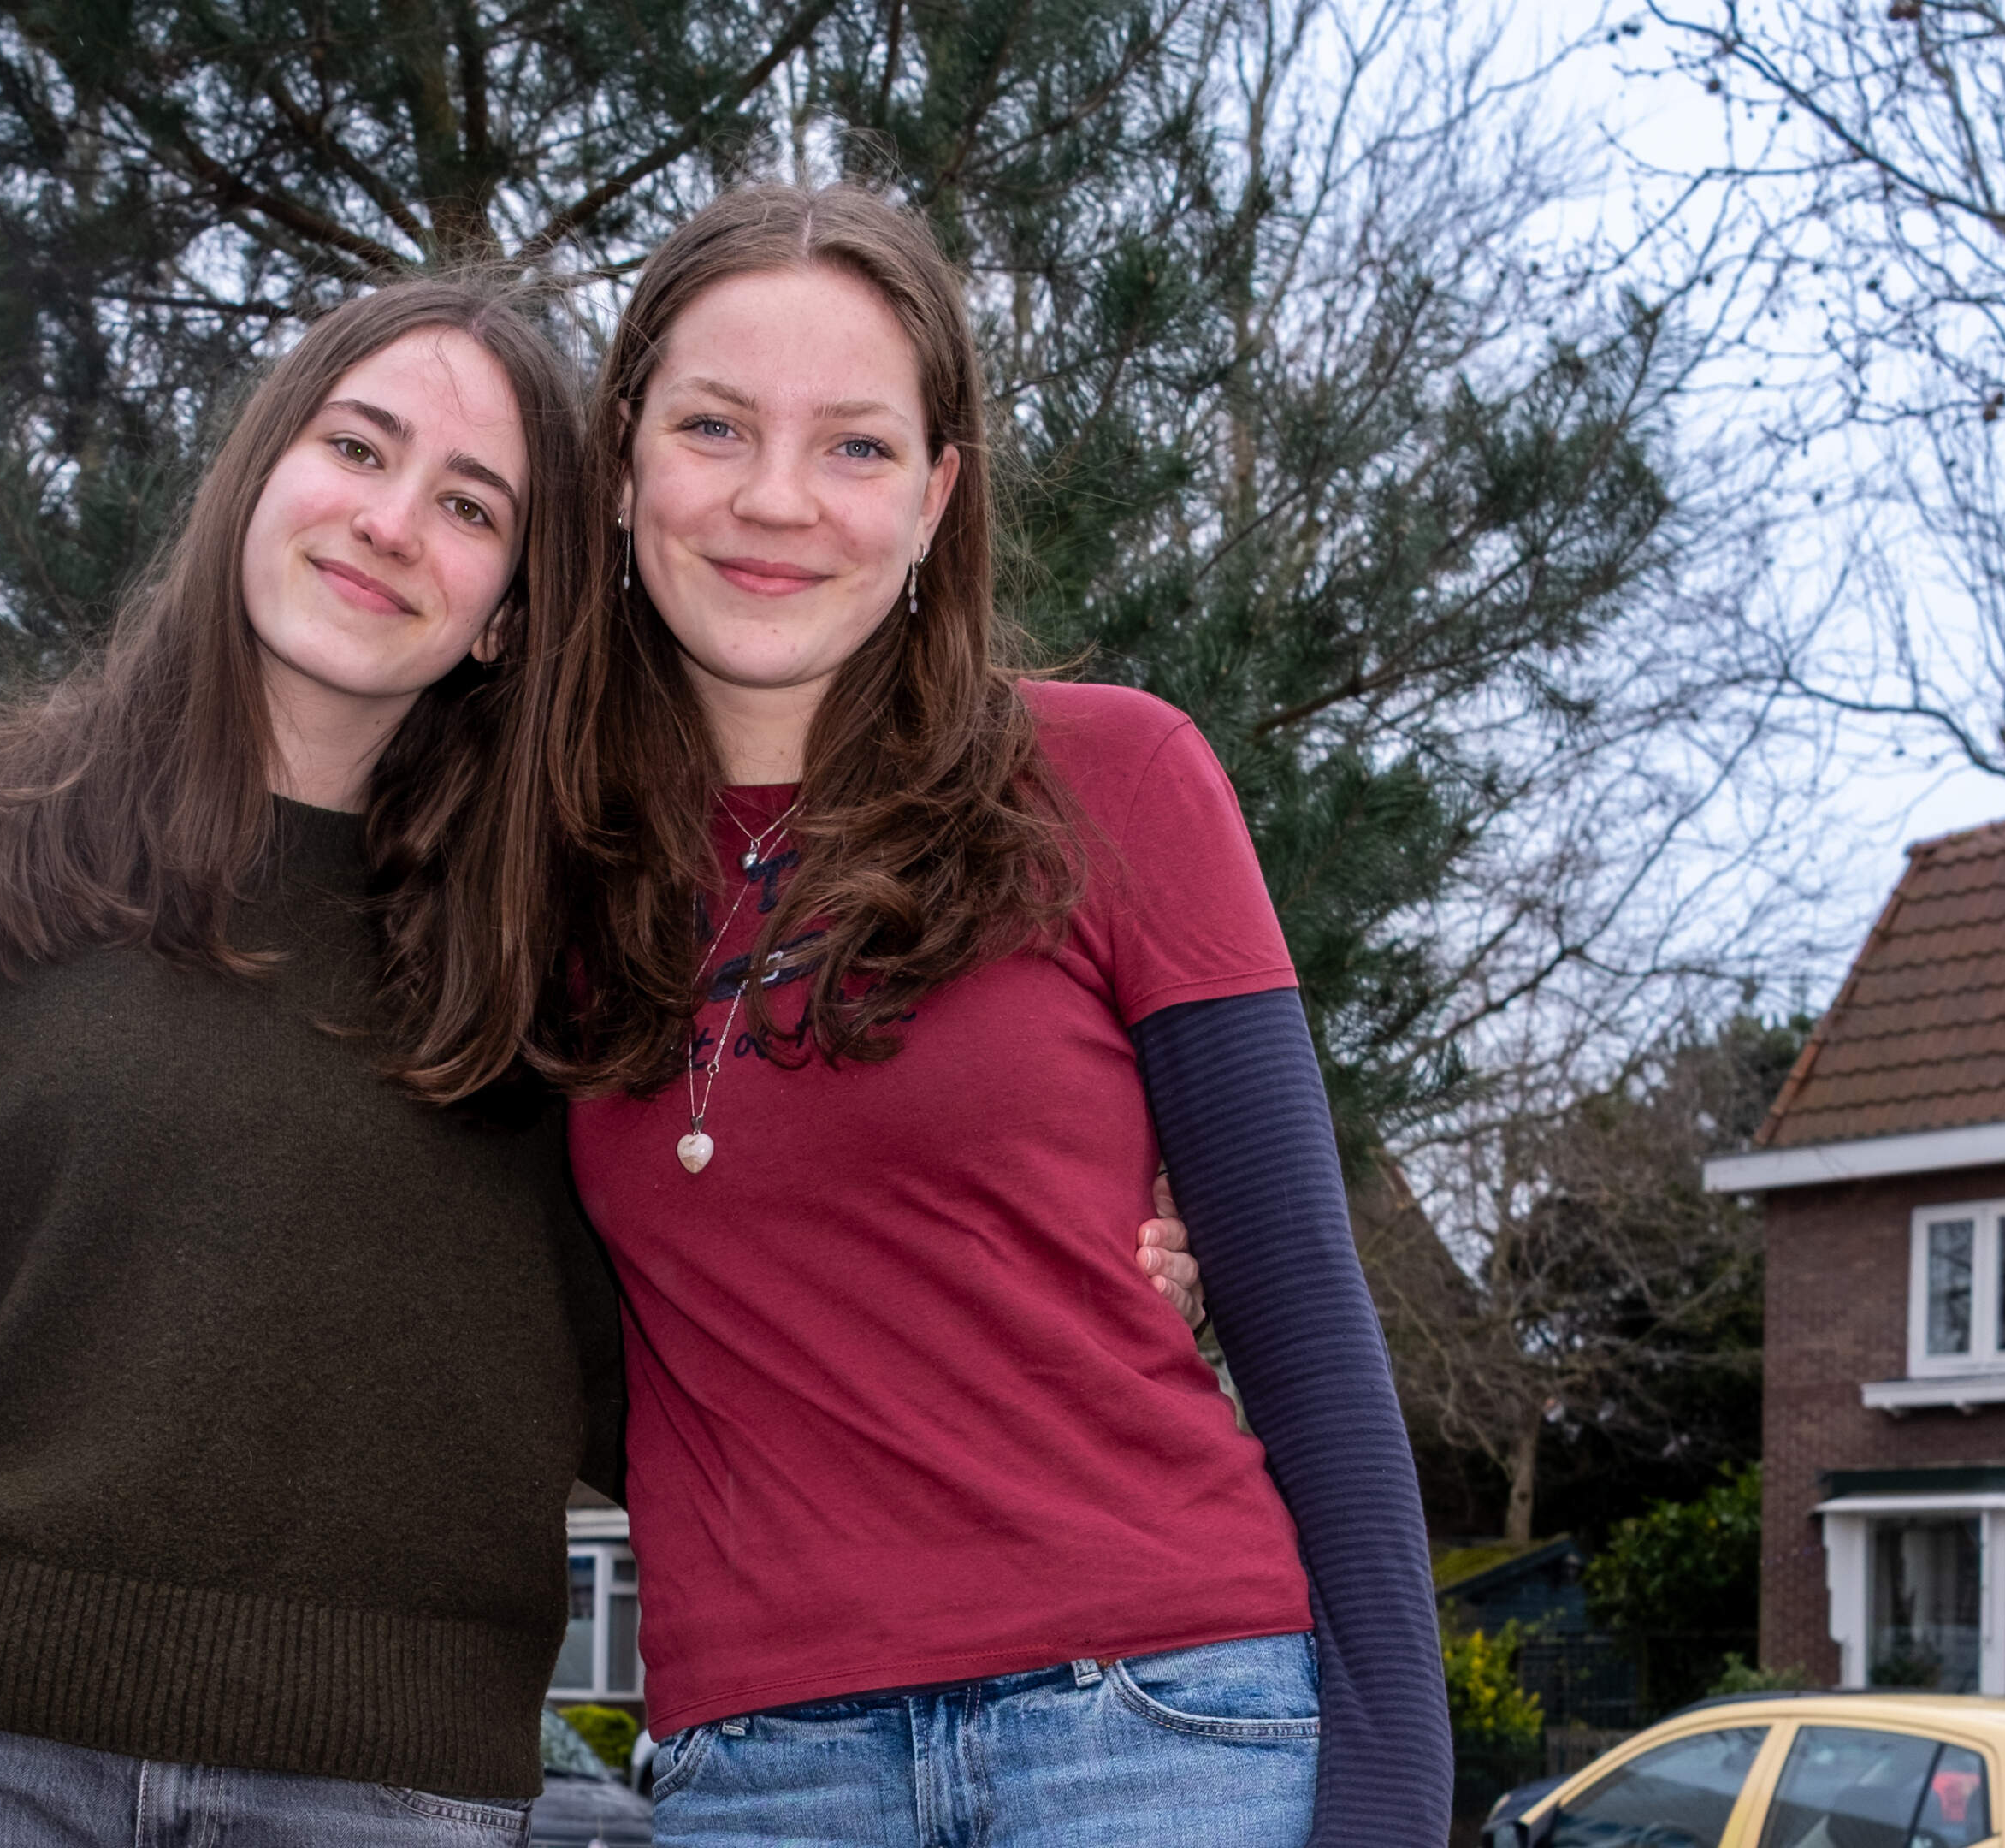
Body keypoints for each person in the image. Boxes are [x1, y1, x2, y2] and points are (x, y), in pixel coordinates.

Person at [530, 182, 1446, 1845]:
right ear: (620, 462)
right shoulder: (540, 871)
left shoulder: (1118, 776)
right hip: (763, 1775)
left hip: (1163, 1726)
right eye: (716, 426)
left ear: (941, 495)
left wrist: (1390, 1801)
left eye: (858, 447)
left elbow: (1307, 1322)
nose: (777, 499)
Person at [0, 275, 624, 1848]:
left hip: (390, 1802)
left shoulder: (554, 965)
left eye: (469, 504)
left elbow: (686, 1380)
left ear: (510, 604)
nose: (390, 523)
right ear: (256, 471)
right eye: (357, 448)